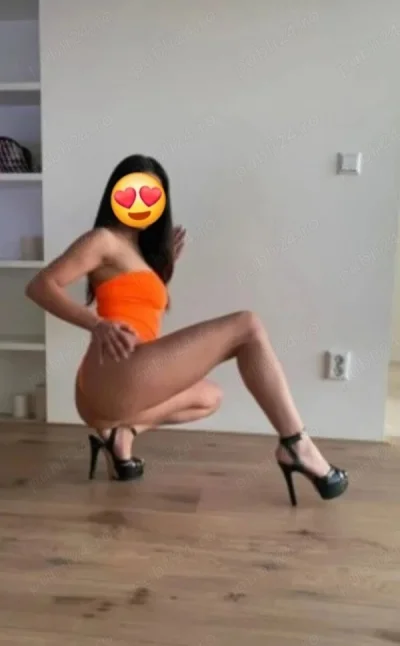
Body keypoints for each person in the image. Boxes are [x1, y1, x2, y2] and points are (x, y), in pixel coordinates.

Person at [26, 153, 348, 506]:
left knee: (210, 397)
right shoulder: (104, 239)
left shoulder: (137, 253)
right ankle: (296, 444)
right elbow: (40, 286)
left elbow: (138, 308)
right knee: (247, 326)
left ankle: (121, 435)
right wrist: (97, 324)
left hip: (115, 386)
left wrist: (160, 276)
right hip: (113, 374)